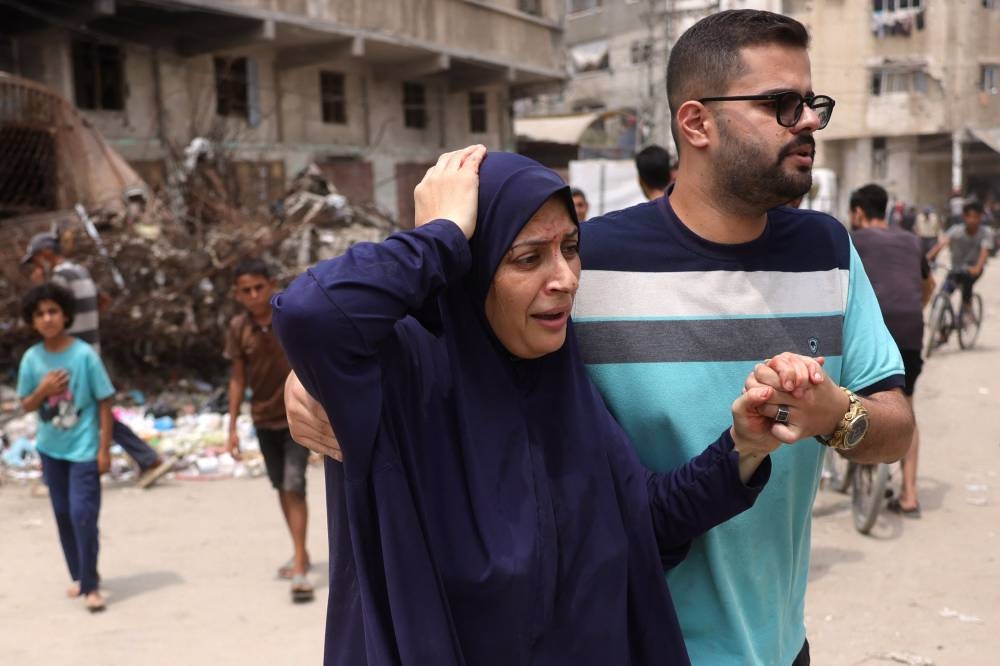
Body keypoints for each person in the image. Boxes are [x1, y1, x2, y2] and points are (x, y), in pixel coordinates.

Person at [272, 145, 810, 665]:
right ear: (469, 268)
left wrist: (742, 447)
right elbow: (309, 315)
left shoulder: (561, 384)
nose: (565, 279)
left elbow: (640, 520)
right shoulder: (401, 381)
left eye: (571, 248)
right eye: (528, 258)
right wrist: (439, 236)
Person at [570, 11, 913, 665]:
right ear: (696, 122)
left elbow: (896, 430)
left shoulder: (828, 251)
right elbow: (444, 368)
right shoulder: (588, 263)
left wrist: (837, 414)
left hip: (784, 650)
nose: (808, 122)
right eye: (782, 105)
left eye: (812, 103)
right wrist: (311, 385)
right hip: (637, 648)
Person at [22, 233, 175, 489]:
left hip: (69, 356)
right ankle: (145, 458)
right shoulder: (80, 271)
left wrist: (38, 287)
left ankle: (147, 459)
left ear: (46, 254)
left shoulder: (59, 278)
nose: (37, 267)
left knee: (70, 409)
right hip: (89, 348)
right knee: (90, 410)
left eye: (37, 260)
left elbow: (49, 309)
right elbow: (102, 300)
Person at [17, 283, 115, 613]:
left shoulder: (84, 355)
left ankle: (91, 586)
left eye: (53, 311)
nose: (47, 318)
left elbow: (105, 402)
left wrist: (104, 450)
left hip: (84, 450)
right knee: (62, 515)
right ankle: (81, 575)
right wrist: (43, 389)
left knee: (83, 515)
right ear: (32, 320)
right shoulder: (32, 359)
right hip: (51, 450)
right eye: (40, 313)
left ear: (65, 315)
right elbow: (27, 405)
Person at [224, 258, 313, 603]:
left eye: (259, 287)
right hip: (262, 418)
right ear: (237, 294)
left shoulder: (288, 317)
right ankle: (297, 548)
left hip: (295, 418)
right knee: (281, 486)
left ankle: (302, 560)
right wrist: (231, 426)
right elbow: (237, 378)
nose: (254, 294)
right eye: (246, 290)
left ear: (270, 284)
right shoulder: (238, 328)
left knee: (295, 485)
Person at [849, 184, 935, 516]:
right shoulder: (912, 241)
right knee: (907, 409)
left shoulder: (851, 240)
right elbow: (928, 286)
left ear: (857, 212)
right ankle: (910, 495)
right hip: (910, 330)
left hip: (871, 332)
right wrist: (913, 312)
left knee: (847, 394)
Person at [927, 201, 994, 319]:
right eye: (969, 216)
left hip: (973, 268)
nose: (972, 220)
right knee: (943, 293)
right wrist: (928, 258)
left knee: (967, 282)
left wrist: (977, 267)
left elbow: (984, 251)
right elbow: (941, 244)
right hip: (956, 268)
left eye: (975, 217)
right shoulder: (956, 230)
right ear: (964, 217)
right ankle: (941, 328)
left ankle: (967, 308)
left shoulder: (985, 233)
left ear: (980, 218)